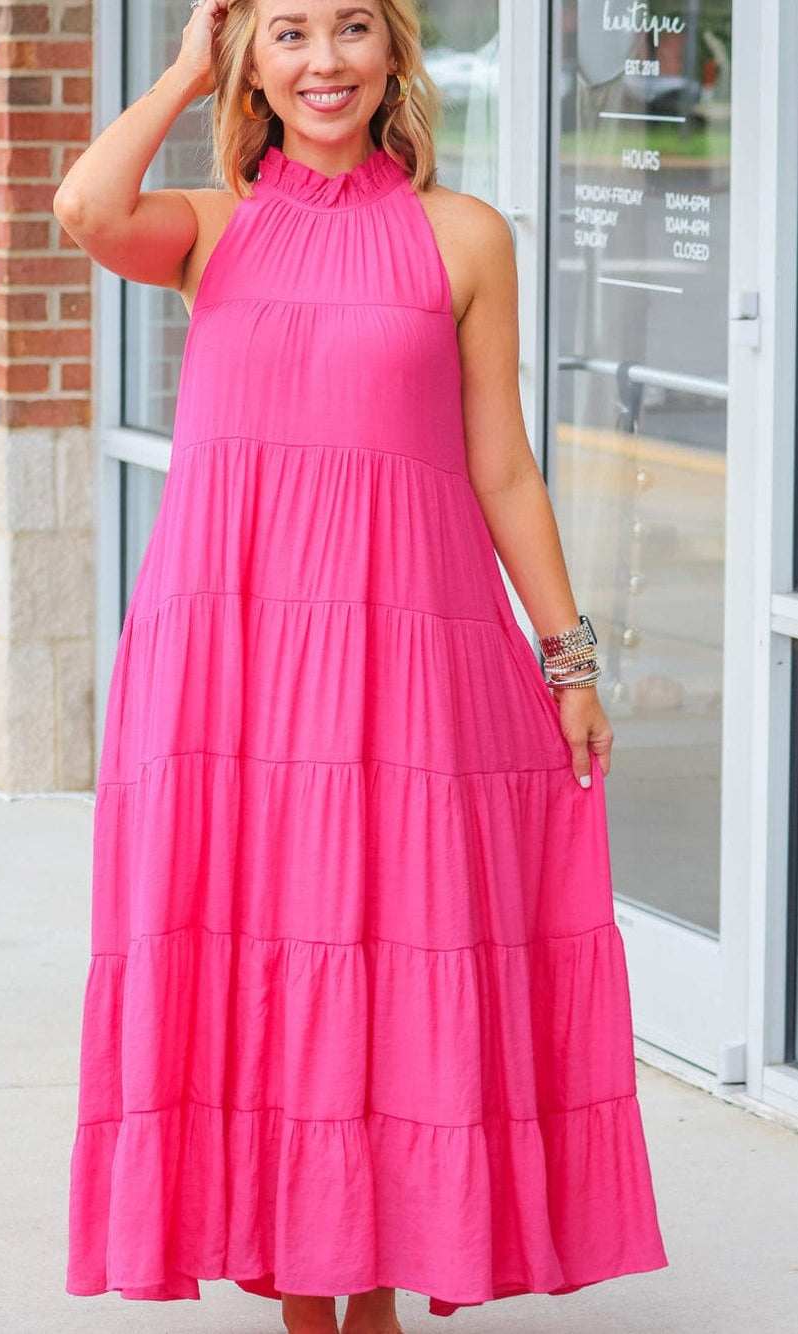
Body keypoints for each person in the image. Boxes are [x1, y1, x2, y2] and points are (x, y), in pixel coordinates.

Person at [53, 2, 669, 1332]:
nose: (322, 61)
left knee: (391, 950)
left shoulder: (464, 238)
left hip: (407, 648)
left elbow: (499, 462)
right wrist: (175, 71)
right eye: (286, 34)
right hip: (233, 657)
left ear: (393, 53)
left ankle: (370, 1289)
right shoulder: (208, 231)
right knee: (261, 952)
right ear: (249, 62)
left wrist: (567, 656)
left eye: (349, 29)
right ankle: (298, 1283)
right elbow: (86, 208)